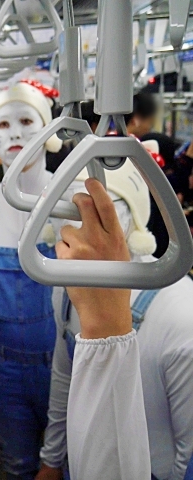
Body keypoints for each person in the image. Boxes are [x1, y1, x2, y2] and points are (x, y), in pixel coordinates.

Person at [38, 161, 193, 480]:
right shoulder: (69, 291)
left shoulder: (182, 315)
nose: (75, 229)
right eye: (62, 213)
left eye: (91, 213)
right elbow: (65, 374)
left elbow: (187, 450)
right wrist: (51, 459)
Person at [0, 81, 65, 480]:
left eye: (26, 121)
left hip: (65, 362)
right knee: (17, 464)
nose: (15, 133)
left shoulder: (71, 197)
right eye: (2, 125)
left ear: (47, 132)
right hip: (2, 370)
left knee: (71, 462)